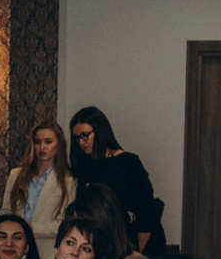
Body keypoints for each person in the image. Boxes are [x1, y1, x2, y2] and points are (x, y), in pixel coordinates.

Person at [68, 107, 160, 250]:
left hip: (130, 239)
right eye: (77, 138)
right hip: (96, 243)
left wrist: (137, 251)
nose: (81, 142)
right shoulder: (84, 165)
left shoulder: (128, 162)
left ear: (100, 131)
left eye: (85, 135)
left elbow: (147, 210)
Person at [3, 121, 74, 259]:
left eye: (48, 142)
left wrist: (31, 227)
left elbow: (65, 223)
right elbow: (5, 211)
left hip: (46, 252)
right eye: (37, 142)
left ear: (58, 145)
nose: (42, 147)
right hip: (15, 249)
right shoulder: (16, 175)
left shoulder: (68, 181)